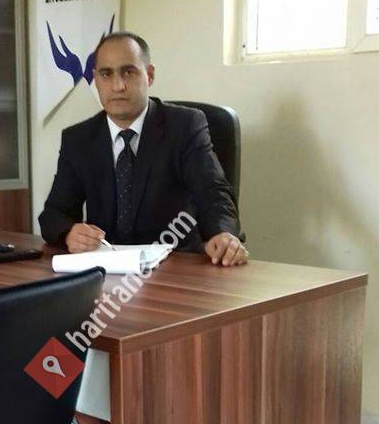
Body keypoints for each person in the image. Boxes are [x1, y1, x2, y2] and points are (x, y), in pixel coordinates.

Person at [38, 31, 248, 266]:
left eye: (128, 72)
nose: (117, 86)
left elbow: (213, 192)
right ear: (95, 79)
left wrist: (222, 233)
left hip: (177, 265)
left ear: (149, 75)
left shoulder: (185, 126)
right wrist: (69, 233)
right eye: (106, 74)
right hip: (108, 267)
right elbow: (54, 214)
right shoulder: (78, 139)